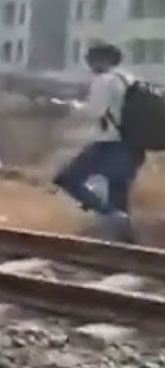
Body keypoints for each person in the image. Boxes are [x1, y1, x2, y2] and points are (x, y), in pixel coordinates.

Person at [53, 42, 143, 243]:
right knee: (119, 197)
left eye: (90, 59)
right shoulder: (129, 79)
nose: (89, 64)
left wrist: (66, 107)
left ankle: (108, 214)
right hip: (133, 147)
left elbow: (94, 111)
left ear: (103, 59)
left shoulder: (104, 80)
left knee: (67, 178)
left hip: (109, 144)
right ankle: (125, 248)